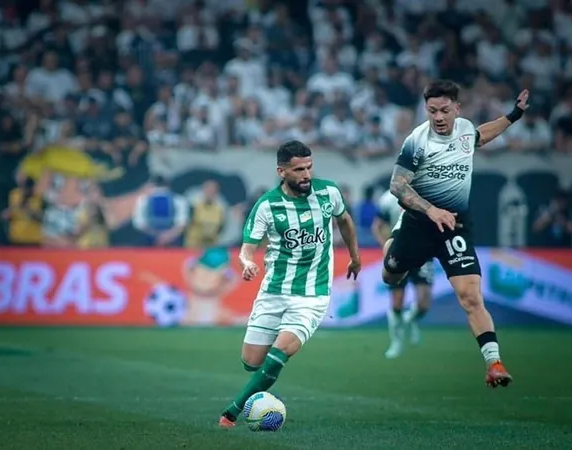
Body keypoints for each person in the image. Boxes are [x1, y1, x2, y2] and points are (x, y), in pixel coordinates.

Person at [383, 80, 529, 388]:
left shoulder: (464, 129)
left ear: (456, 109)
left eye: (444, 110)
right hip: (418, 224)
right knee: (391, 276)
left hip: (455, 226)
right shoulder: (416, 140)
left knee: (470, 297)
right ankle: (391, 246)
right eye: (432, 110)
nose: (438, 117)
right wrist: (431, 210)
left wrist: (513, 115)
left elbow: (481, 136)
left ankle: (494, 363)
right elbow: (397, 186)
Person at [218, 140, 361, 428]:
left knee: (279, 352)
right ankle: (266, 379)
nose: (307, 174)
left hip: (313, 294)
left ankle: (230, 413)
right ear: (281, 171)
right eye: (299, 170)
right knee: (251, 362)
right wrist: (247, 264)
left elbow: (344, 220)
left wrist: (355, 256)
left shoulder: (328, 192)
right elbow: (247, 248)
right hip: (273, 291)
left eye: (309, 167)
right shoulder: (267, 205)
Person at [371, 190, 434, 359]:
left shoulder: (427, 193)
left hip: (422, 251)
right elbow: (377, 226)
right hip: (399, 251)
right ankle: (396, 342)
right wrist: (386, 246)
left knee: (424, 303)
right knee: (397, 302)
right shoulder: (388, 199)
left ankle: (410, 319)